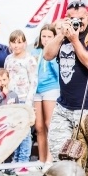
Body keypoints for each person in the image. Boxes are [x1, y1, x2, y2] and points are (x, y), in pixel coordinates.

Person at [43, 3, 88, 161]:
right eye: (72, 18)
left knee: (86, 157)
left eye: (81, 18)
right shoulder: (62, 37)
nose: (77, 22)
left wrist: (75, 40)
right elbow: (47, 55)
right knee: (60, 152)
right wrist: (60, 35)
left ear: (87, 17)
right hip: (63, 106)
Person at [4, 30, 38, 172]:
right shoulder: (8, 59)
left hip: (25, 99)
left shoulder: (29, 59)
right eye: (14, 42)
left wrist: (29, 101)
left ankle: (23, 161)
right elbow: (6, 77)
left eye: (19, 42)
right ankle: (16, 160)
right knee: (14, 130)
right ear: (10, 44)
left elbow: (34, 81)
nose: (16, 45)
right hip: (12, 99)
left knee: (25, 132)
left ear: (25, 43)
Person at [33, 24, 60, 163]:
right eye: (44, 36)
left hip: (51, 89)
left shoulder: (55, 53)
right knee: (39, 126)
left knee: (50, 123)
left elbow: (59, 73)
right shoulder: (35, 52)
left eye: (49, 36)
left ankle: (51, 158)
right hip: (36, 91)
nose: (46, 39)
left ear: (54, 37)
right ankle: (41, 159)